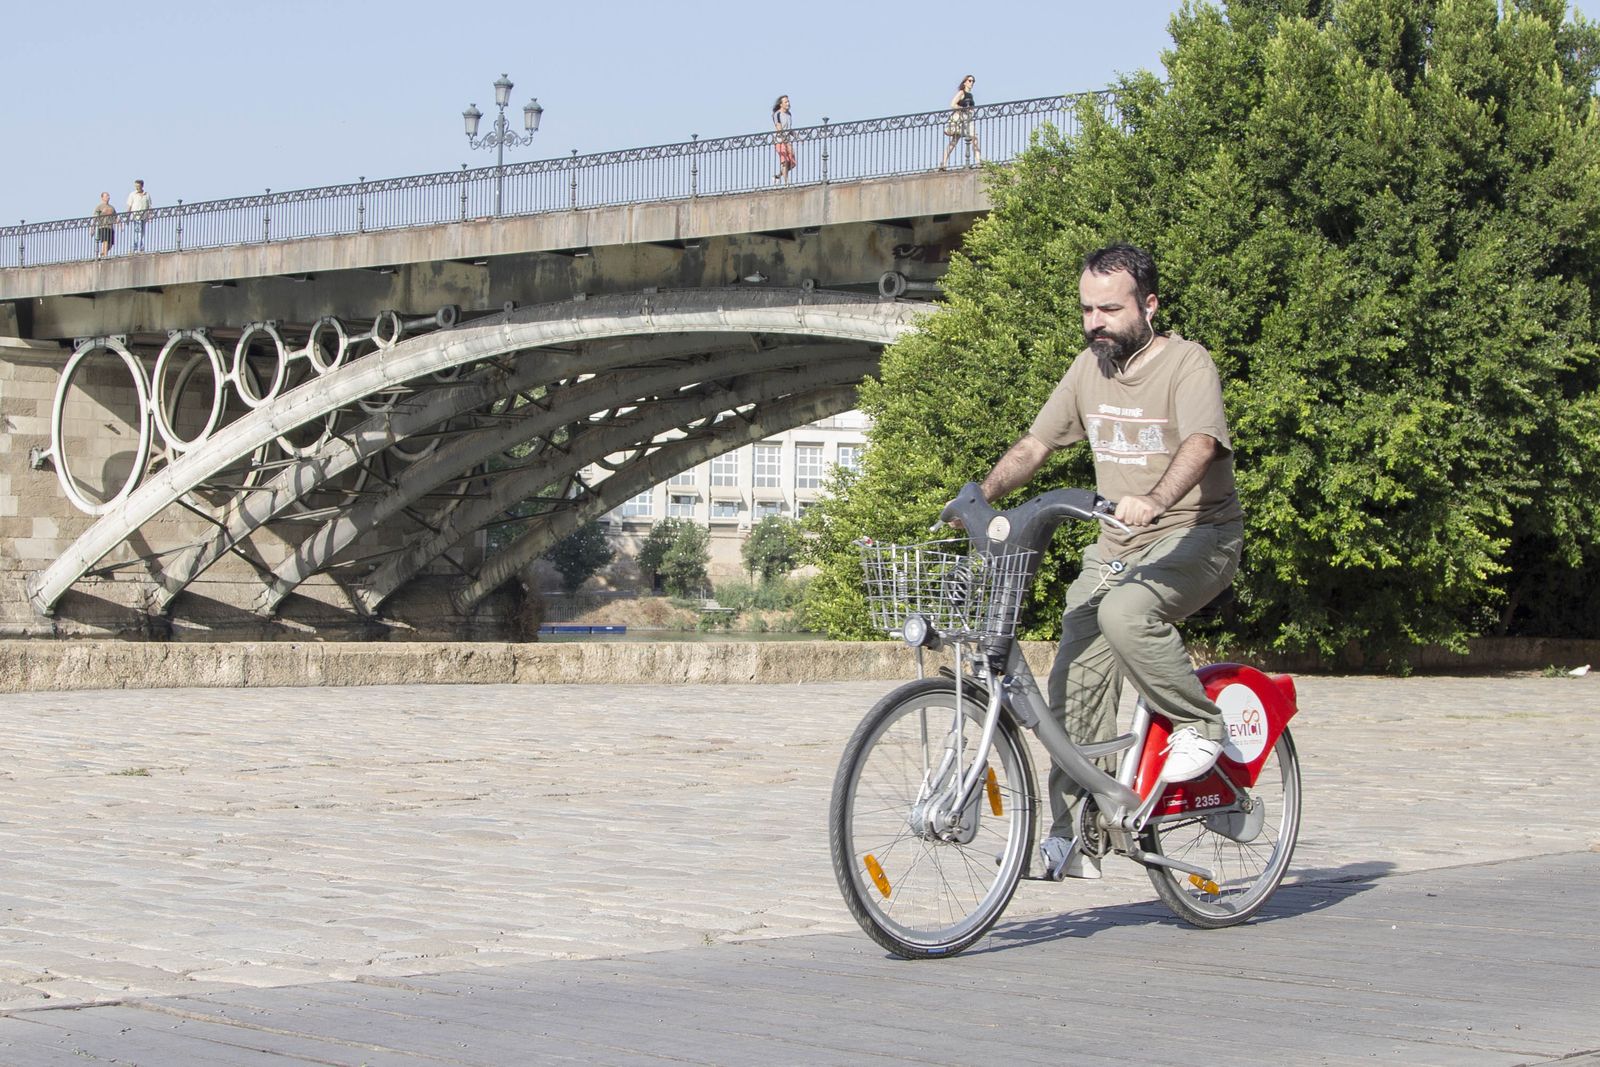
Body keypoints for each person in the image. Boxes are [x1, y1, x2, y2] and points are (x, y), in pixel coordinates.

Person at [965, 243, 1244, 881]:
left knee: (1126, 612)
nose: (1096, 321)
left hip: (1197, 534)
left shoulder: (1186, 364)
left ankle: (1201, 723)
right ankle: (1076, 832)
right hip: (1115, 545)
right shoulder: (1089, 368)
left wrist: (1153, 499)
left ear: (1148, 305)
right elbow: (1037, 442)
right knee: (1070, 684)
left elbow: (1202, 443)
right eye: (1088, 309)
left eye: (1110, 309)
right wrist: (980, 495)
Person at [939, 75, 982, 169]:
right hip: (961, 118)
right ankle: (944, 162)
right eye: (970, 80)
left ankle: (979, 161)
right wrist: (962, 108)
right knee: (954, 142)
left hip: (968, 119)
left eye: (973, 81)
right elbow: (952, 104)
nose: (972, 83)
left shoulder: (970, 95)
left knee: (975, 138)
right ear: (965, 82)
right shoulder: (961, 93)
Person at [772, 95, 796, 184]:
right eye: (786, 102)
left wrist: (797, 137)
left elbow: (789, 129)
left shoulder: (789, 114)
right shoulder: (777, 114)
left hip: (787, 141)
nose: (788, 103)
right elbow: (779, 129)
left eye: (788, 101)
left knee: (792, 163)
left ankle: (777, 176)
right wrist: (786, 143)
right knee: (785, 162)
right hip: (779, 141)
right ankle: (786, 183)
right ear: (781, 104)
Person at [125, 179, 152, 253]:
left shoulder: (147, 194)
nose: (136, 188)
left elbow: (149, 206)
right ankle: (137, 247)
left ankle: (140, 247)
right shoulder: (132, 194)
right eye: (136, 186)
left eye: (138, 186)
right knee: (138, 231)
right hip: (136, 216)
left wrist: (150, 216)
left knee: (142, 232)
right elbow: (129, 206)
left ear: (142, 186)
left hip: (144, 216)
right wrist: (127, 217)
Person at [92, 192, 116, 257]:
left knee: (110, 244)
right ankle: (105, 255)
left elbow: (116, 217)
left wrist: (121, 225)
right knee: (105, 241)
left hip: (110, 227)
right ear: (102, 198)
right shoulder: (99, 207)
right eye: (106, 196)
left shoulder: (112, 207)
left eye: (108, 196)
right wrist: (92, 228)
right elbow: (95, 217)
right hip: (103, 226)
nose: (108, 197)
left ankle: (102, 253)